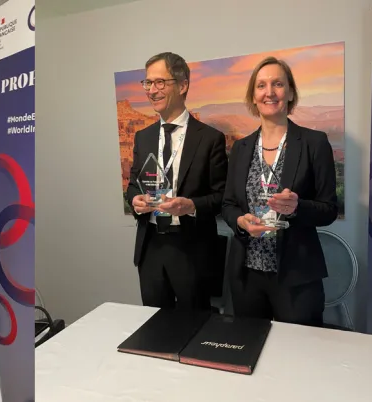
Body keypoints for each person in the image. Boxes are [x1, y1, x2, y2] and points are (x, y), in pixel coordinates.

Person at [221, 56, 337, 327]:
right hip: (247, 275)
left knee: (298, 349)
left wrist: (297, 207)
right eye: (261, 85)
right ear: (253, 96)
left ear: (291, 92)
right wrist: (240, 221)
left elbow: (329, 209)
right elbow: (228, 205)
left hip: (297, 275)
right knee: (250, 345)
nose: (269, 92)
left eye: (278, 84)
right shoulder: (240, 148)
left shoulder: (314, 143)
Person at [126, 52, 228, 310]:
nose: (152, 90)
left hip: (191, 249)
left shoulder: (210, 139)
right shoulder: (143, 137)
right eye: (148, 83)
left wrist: (191, 206)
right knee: (154, 325)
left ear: (183, 86)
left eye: (160, 82)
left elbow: (222, 197)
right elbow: (133, 185)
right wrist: (135, 200)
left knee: (194, 327)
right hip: (150, 247)